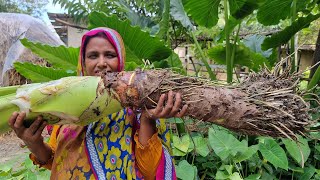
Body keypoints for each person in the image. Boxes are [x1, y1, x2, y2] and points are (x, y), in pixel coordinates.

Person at [8, 27, 188, 180]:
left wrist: (148, 121)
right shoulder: (66, 105)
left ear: (120, 60)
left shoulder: (140, 106)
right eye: (93, 56)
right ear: (83, 63)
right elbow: (54, 159)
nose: (101, 63)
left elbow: (151, 172)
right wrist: (34, 143)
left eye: (109, 55)